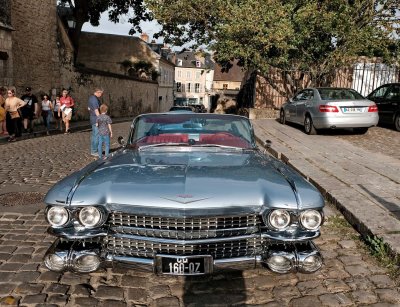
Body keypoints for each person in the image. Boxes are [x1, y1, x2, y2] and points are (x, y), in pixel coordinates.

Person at [88, 87, 103, 156]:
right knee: (97, 136)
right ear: (98, 92)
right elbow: (96, 110)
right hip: (96, 119)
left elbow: (88, 108)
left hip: (93, 118)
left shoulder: (91, 98)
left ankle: (93, 150)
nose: (101, 95)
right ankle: (94, 151)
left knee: (94, 135)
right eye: (101, 93)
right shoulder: (94, 99)